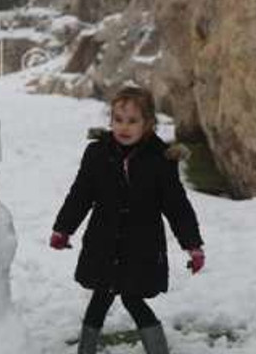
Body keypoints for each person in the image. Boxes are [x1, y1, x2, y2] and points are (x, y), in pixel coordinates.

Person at [50, 85, 204, 354]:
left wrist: (192, 244)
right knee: (101, 295)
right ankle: (86, 349)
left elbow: (177, 207)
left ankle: (157, 348)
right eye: (118, 119)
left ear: (148, 123)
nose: (124, 127)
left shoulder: (161, 159)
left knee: (133, 298)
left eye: (133, 121)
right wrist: (63, 229)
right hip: (104, 241)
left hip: (140, 245)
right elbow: (81, 195)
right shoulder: (97, 153)